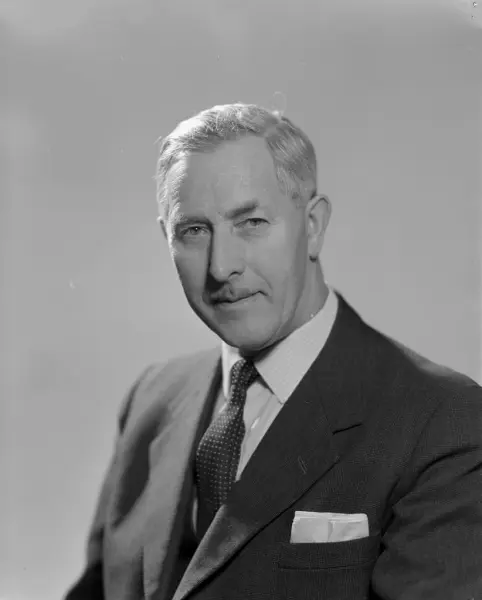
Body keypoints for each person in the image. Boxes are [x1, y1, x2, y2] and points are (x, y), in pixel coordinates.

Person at [65, 103, 482, 600]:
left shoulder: (443, 421)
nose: (221, 267)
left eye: (251, 222)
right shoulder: (151, 400)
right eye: (194, 231)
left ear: (313, 225)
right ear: (166, 239)